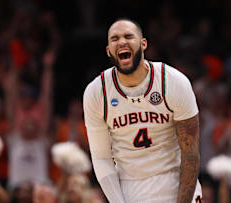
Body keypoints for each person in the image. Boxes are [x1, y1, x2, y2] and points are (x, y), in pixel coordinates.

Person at [83, 18, 202, 203]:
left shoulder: (173, 81)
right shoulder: (96, 92)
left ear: (143, 44)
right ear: (108, 50)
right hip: (131, 187)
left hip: (174, 179)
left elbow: (191, 154)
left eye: (128, 36)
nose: (121, 42)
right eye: (114, 39)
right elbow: (101, 158)